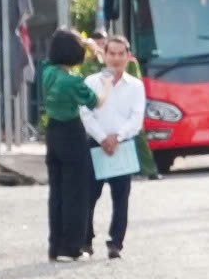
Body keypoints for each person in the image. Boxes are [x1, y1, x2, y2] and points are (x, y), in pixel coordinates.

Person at [36, 29, 105, 262]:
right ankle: (72, 247)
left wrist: (83, 43)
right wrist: (105, 85)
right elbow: (95, 101)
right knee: (77, 191)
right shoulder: (73, 81)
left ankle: (55, 246)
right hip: (72, 133)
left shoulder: (47, 72)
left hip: (53, 132)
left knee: (57, 193)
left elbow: (53, 58)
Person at [81, 31, 151, 259]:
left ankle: (115, 243)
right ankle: (85, 241)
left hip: (123, 145)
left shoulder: (136, 86)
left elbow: (136, 118)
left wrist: (117, 137)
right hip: (95, 143)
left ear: (128, 56)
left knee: (121, 198)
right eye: (112, 53)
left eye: (121, 54)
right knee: (89, 196)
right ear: (105, 55)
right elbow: (85, 114)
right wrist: (102, 138)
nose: (116, 59)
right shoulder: (91, 82)